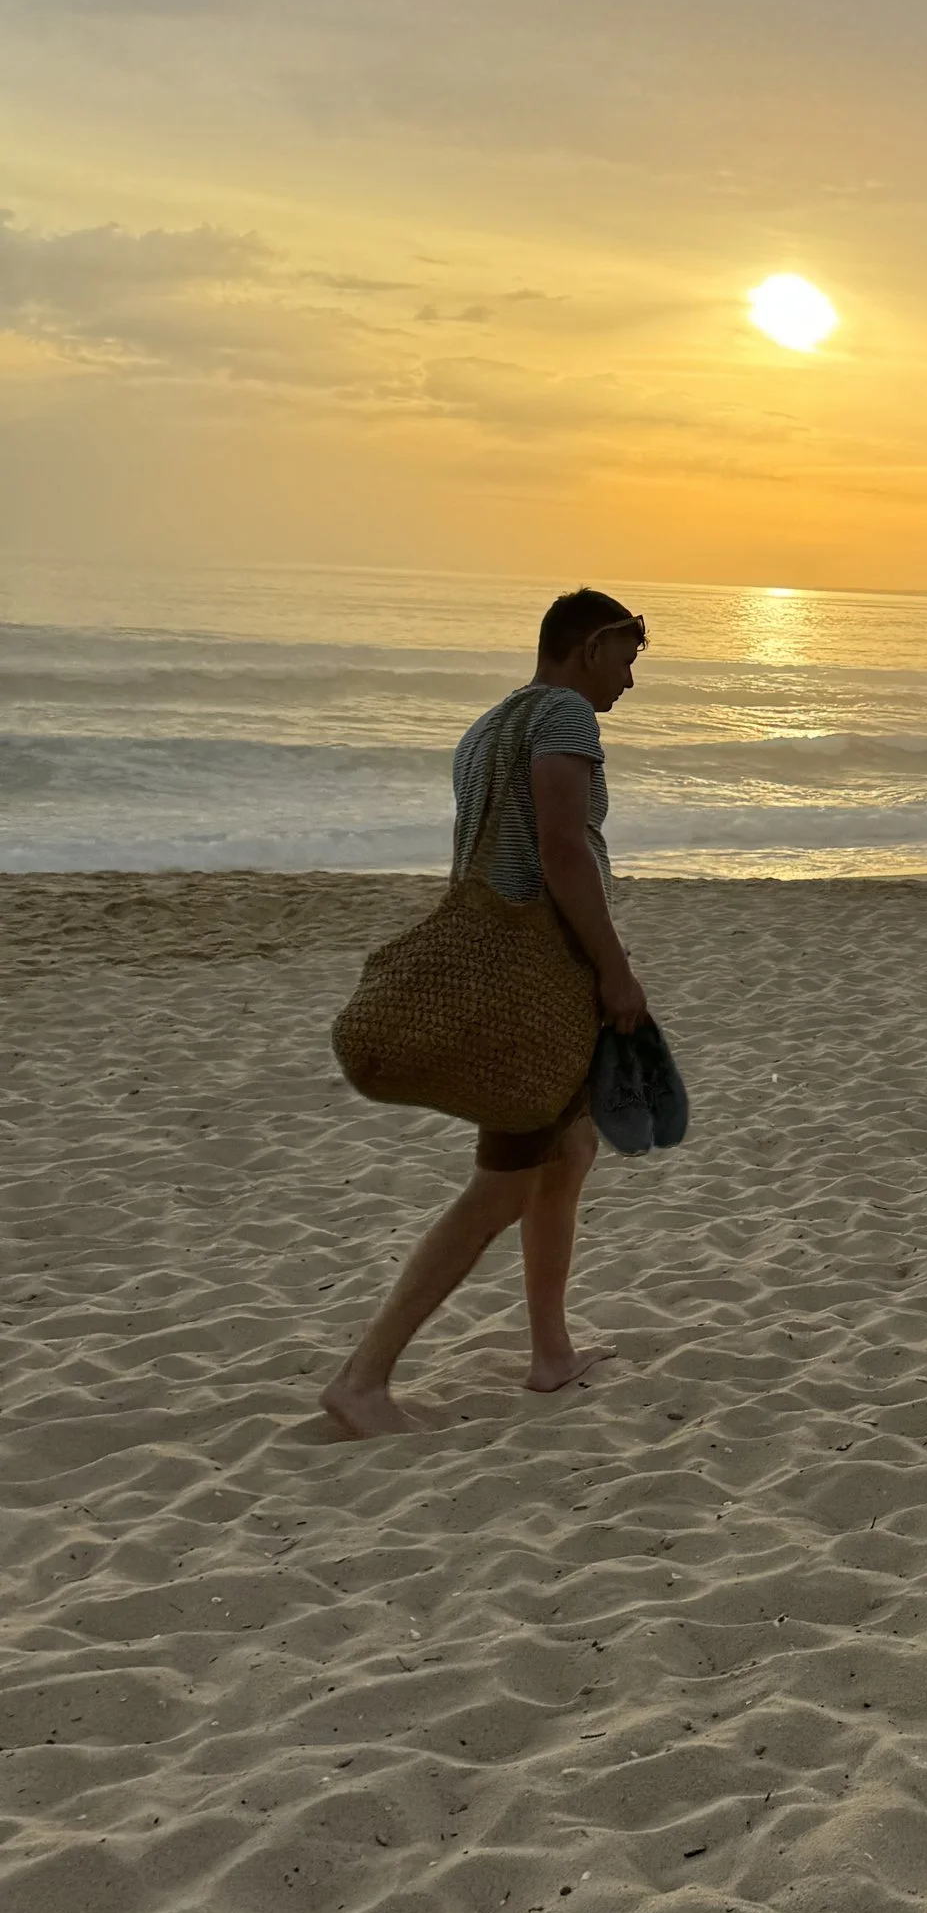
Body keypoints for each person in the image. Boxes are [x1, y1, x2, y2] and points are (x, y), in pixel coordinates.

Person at [321, 589, 650, 1438]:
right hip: (534, 992)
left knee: (570, 1148)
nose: (630, 679)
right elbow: (561, 850)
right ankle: (364, 1378)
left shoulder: (486, 729)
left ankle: (551, 1352)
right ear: (588, 647)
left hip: (507, 978)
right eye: (626, 658)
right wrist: (615, 971)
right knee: (500, 1187)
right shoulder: (567, 719)